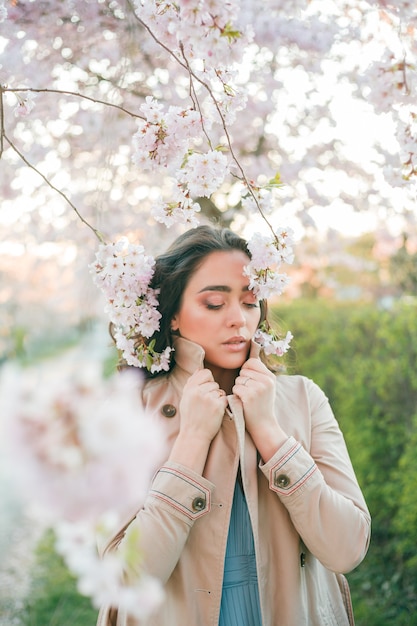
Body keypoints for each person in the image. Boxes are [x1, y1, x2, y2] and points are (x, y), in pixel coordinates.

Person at [97, 225, 371, 626]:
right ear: (171, 316)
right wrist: (191, 441)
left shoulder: (302, 399)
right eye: (213, 304)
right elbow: (124, 580)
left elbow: (347, 549)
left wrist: (272, 435)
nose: (238, 321)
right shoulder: (126, 411)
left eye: (249, 302)